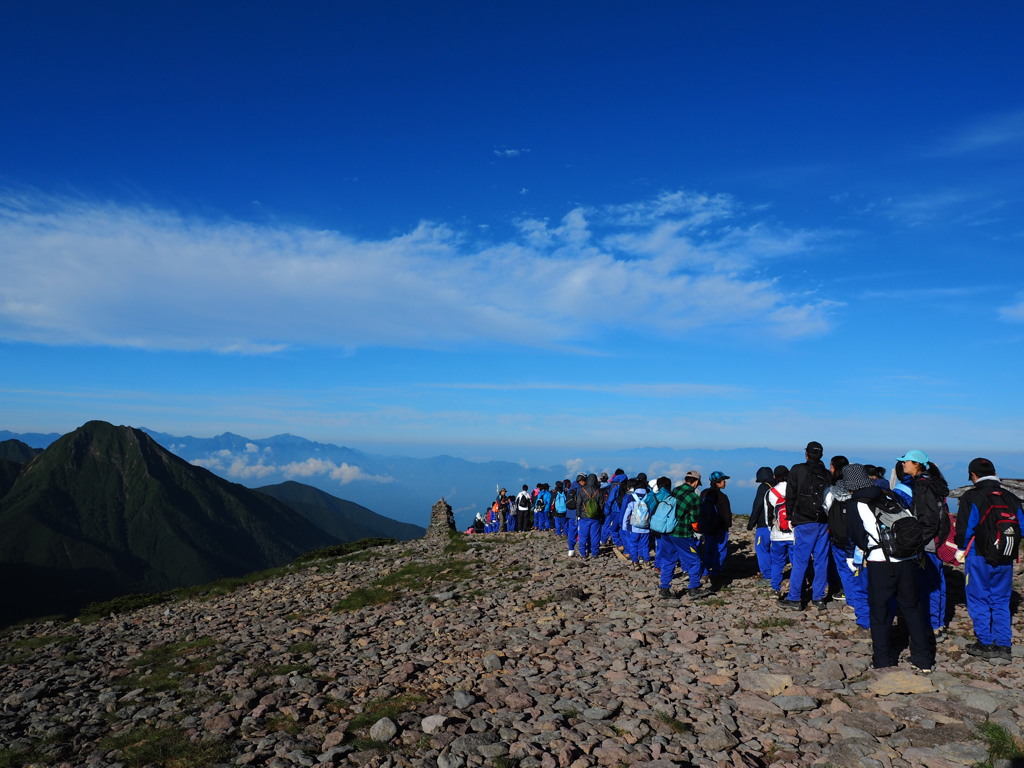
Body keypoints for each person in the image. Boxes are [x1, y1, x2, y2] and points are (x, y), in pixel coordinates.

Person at [844, 463, 936, 673]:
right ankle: (923, 660)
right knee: (913, 609)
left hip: (881, 562)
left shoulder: (856, 503)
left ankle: (883, 660)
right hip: (910, 559)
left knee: (881, 612)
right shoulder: (890, 495)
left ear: (850, 485)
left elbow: (858, 537)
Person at [954, 458, 1024, 661]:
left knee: (978, 597)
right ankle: (1003, 645)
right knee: (1001, 599)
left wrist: (960, 549)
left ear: (973, 475)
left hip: (979, 555)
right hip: (1006, 555)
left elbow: (966, 528)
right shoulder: (1010, 497)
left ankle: (985, 642)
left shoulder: (972, 496)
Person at [898, 449, 950, 642]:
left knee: (929, 584)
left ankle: (932, 626)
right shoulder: (932, 482)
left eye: (906, 461)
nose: (903, 464)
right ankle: (939, 623)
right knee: (938, 582)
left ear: (916, 464)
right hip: (937, 540)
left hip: (927, 542)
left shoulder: (922, 485)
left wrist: (917, 540)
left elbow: (927, 518)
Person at [781, 441, 831, 610]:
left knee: (800, 559)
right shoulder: (826, 474)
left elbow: (790, 494)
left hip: (803, 520)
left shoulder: (797, 470)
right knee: (821, 559)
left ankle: (794, 598)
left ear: (806, 454)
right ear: (821, 455)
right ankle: (818, 598)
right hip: (822, 521)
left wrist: (789, 516)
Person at [658, 472, 707, 598]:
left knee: (669, 559)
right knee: (694, 560)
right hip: (682, 534)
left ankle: (664, 588)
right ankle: (694, 588)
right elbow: (695, 520)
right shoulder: (693, 497)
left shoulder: (675, 490)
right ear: (696, 482)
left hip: (667, 531)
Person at [699, 471, 732, 587]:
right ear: (718, 483)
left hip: (707, 528)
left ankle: (705, 573)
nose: (725, 483)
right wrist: (727, 525)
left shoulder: (704, 493)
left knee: (708, 550)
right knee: (720, 550)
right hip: (721, 529)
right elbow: (727, 515)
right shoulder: (722, 497)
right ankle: (716, 573)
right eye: (723, 481)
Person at [748, 467, 775, 583]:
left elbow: (757, 505)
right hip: (777, 525)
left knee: (762, 549)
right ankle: (776, 573)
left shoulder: (764, 487)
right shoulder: (778, 487)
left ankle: (768, 576)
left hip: (764, 524)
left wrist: (751, 522)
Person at [576, 473, 604, 560]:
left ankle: (583, 553)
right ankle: (595, 553)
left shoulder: (582, 490)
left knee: (583, 536)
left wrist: (578, 514)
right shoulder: (598, 491)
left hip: (584, 517)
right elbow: (602, 505)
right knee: (595, 536)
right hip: (595, 517)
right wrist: (600, 515)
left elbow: (578, 504)